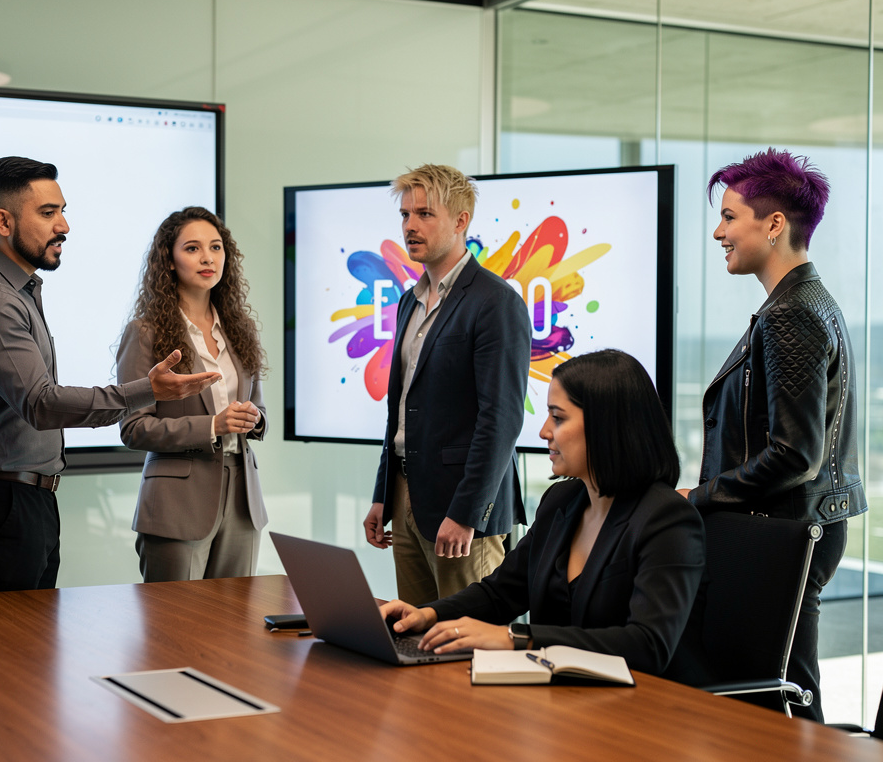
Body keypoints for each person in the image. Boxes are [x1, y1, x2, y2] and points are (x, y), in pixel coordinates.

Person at [0, 157, 220, 595]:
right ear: (3, 221)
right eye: (48, 213)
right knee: (4, 657)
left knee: (31, 654)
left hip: (26, 500)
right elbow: (41, 403)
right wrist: (148, 390)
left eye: (63, 211)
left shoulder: (18, 291)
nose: (64, 225)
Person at [677, 149, 867, 721]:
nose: (719, 232)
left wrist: (699, 497)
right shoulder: (804, 301)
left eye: (731, 217)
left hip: (784, 531)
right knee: (775, 689)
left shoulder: (791, 314)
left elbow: (794, 454)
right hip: (794, 525)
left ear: (775, 224)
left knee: (777, 695)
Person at [380, 350, 705, 675]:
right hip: (558, 698)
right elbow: (500, 594)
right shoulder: (561, 502)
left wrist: (516, 639)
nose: (544, 431)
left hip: (638, 709)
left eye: (558, 418)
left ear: (606, 425)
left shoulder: (668, 519)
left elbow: (647, 645)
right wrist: (429, 615)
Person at [362, 164, 532, 606]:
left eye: (424, 214)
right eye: (404, 215)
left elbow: (502, 419)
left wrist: (467, 512)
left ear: (461, 221)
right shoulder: (408, 302)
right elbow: (399, 410)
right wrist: (384, 495)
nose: (410, 226)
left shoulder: (495, 302)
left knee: (467, 647)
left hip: (462, 510)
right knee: (414, 639)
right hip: (405, 497)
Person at [117, 207, 268, 581]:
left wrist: (255, 419)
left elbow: (258, 405)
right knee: (175, 632)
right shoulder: (144, 332)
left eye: (216, 248)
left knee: (234, 630)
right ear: (168, 261)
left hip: (242, 499)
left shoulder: (238, 329)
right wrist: (212, 426)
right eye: (193, 248)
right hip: (176, 503)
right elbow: (133, 428)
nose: (207, 258)